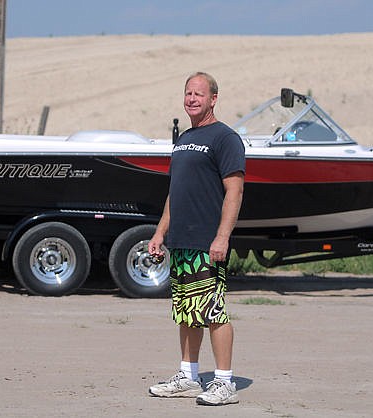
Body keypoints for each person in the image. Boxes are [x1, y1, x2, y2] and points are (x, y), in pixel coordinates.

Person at [147, 72, 245, 406]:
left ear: (213, 98)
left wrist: (222, 236)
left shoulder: (225, 138)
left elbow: (234, 190)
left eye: (199, 94)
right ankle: (188, 376)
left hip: (208, 241)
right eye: (188, 93)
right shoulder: (184, 140)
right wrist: (160, 232)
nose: (192, 98)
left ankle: (224, 382)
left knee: (214, 311)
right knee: (187, 311)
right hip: (181, 241)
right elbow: (175, 194)